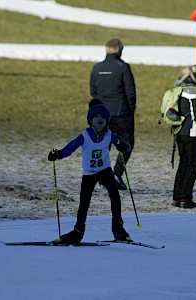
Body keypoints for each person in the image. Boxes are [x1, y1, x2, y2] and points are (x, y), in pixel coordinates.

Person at [48, 98, 132, 244]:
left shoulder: (109, 134)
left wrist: (123, 146)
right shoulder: (85, 135)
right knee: (84, 203)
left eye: (103, 118)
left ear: (107, 121)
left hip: (105, 171)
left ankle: (118, 230)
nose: (100, 120)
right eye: (96, 117)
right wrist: (58, 154)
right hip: (89, 174)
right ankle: (77, 232)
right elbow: (70, 148)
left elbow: (126, 145)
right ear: (90, 120)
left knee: (115, 197)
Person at [90, 38, 136, 190]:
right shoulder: (123, 67)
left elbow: (93, 91)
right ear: (121, 50)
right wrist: (131, 108)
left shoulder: (97, 68)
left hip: (101, 115)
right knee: (126, 144)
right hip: (121, 113)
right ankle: (117, 173)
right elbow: (130, 91)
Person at [171, 65, 196, 209]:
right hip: (192, 134)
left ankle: (177, 197)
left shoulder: (180, 88)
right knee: (192, 167)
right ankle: (185, 198)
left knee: (183, 165)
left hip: (179, 132)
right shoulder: (194, 92)